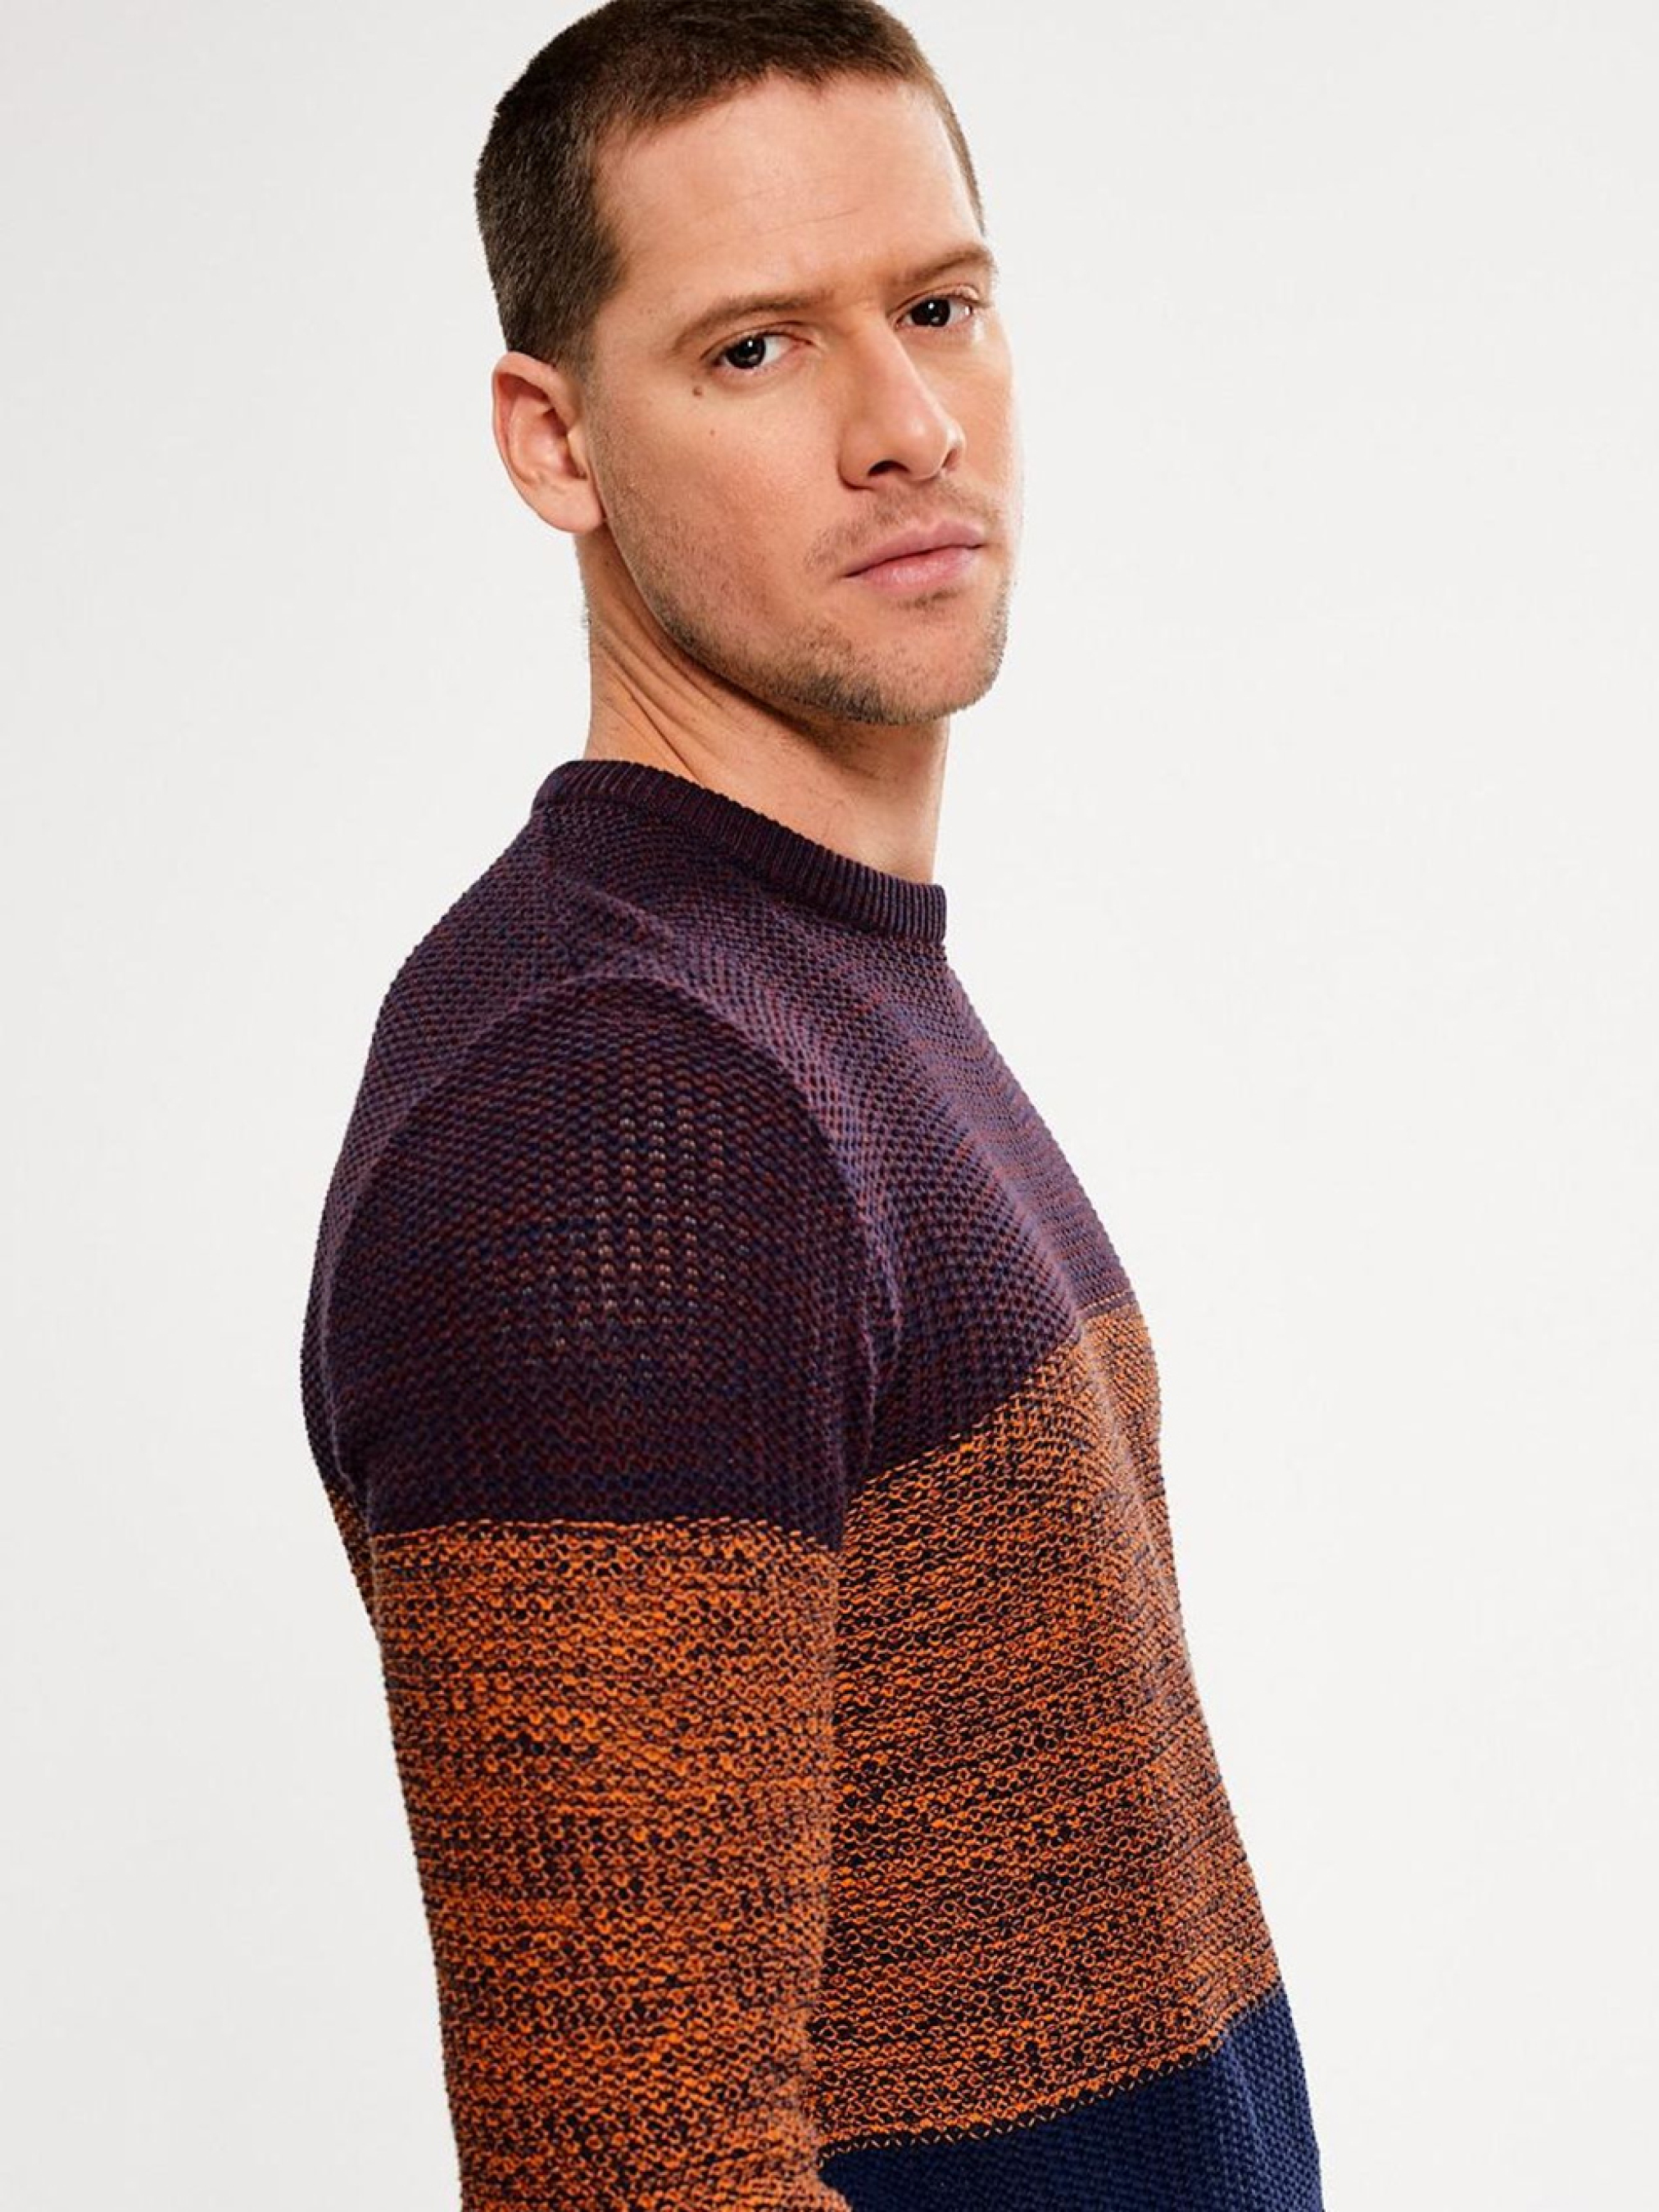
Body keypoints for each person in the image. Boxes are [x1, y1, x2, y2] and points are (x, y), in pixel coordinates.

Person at [297, 4, 1326, 2205]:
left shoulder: (811, 991)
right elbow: (635, 2176)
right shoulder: (617, 1107)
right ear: (555, 441)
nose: (906, 425)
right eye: (754, 349)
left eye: (939, 307)